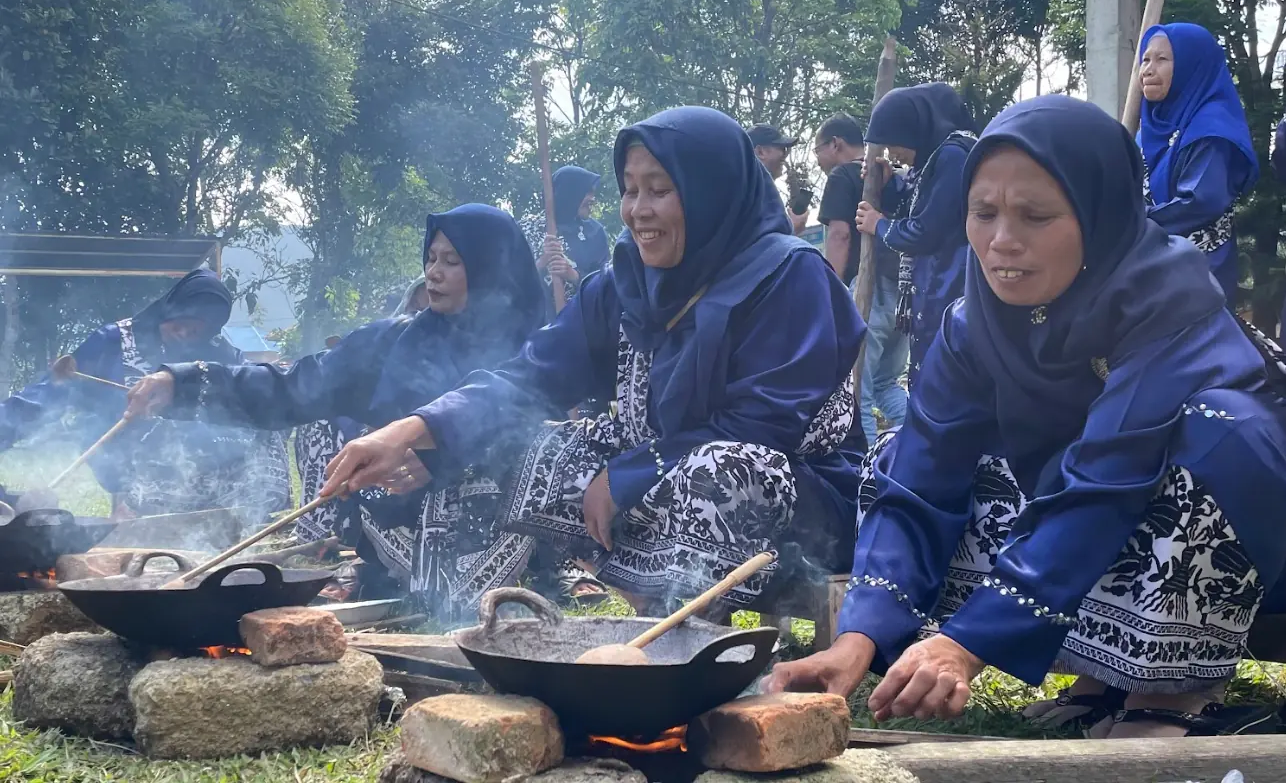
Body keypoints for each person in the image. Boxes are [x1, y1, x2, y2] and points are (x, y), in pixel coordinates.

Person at [766, 95, 1286, 739]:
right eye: (983, 213)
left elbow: (1105, 479)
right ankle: (1102, 679)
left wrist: (968, 645)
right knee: (899, 452)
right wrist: (860, 635)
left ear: (1098, 216)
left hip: (1250, 541)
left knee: (1216, 430)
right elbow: (922, 478)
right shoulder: (973, 322)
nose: (1001, 242)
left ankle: (1178, 689)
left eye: (1035, 216)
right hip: (1083, 510)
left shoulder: (1167, 300)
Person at [321, 106, 866, 617]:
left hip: (797, 509)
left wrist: (630, 473)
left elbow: (763, 426)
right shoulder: (621, 285)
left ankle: (683, 630)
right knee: (516, 445)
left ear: (710, 192)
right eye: (629, 191)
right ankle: (601, 609)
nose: (637, 211)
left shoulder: (789, 276)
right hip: (658, 479)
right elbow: (531, 376)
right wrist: (413, 430)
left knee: (718, 472)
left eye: (659, 190)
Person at [126, 205, 595, 614]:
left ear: (493, 269)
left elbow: (520, 421)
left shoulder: (535, 351)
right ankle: (399, 581)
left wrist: (436, 457)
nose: (433, 272)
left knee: (547, 447)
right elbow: (296, 385)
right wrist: (184, 381)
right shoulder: (391, 341)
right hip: (402, 519)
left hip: (498, 525)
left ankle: (534, 576)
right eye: (431, 258)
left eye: (452, 261)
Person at [0, 270, 290, 518]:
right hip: (135, 479)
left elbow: (251, 381)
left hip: (208, 480)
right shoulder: (115, 340)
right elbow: (47, 395)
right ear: (171, 308)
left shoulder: (217, 352)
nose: (186, 335)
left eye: (197, 331)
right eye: (182, 323)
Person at [854, 83, 976, 389]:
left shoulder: (953, 156)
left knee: (945, 377)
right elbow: (918, 203)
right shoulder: (934, 159)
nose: (892, 153)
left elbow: (926, 230)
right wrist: (888, 182)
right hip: (936, 284)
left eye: (894, 144)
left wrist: (878, 225)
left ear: (912, 131)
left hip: (951, 284)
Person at [1138, 23, 1258, 303]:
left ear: (1192, 66)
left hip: (1197, 274)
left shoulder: (1212, 130)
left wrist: (1130, 222)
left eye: (1162, 59)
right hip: (1148, 266)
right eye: (1145, 59)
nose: (1147, 70)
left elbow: (1199, 203)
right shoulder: (1148, 127)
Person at [816, 112, 907, 448]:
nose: (820, 160)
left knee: (856, 393)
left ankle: (864, 480)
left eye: (817, 151)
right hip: (904, 296)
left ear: (835, 143)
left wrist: (829, 290)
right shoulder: (893, 177)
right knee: (884, 384)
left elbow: (839, 236)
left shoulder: (843, 175)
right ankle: (928, 444)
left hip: (868, 294)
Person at [520, 165, 611, 318]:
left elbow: (607, 283)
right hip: (536, 324)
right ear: (570, 194)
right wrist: (543, 262)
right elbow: (511, 282)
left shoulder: (595, 232)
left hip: (583, 324)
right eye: (587, 192)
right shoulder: (528, 229)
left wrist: (574, 275)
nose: (592, 199)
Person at [749, 124, 808, 236]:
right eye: (781, 148)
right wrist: (793, 228)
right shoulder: (752, 193)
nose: (785, 154)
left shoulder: (757, 189)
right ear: (761, 152)